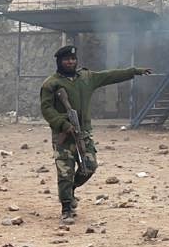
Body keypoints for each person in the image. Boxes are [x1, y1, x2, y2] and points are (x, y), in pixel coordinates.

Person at [40, 45, 151, 222]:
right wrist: (63, 123)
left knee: (89, 167)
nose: (71, 62)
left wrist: (134, 71)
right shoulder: (51, 84)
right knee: (65, 172)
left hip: (83, 133)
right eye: (67, 59)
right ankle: (67, 208)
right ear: (59, 61)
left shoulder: (86, 77)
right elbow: (46, 109)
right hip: (63, 136)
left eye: (73, 59)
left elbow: (110, 76)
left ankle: (71, 190)